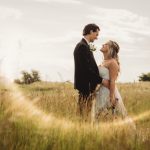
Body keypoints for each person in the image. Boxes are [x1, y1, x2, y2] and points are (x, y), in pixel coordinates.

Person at [73, 24, 108, 119]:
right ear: (91, 32)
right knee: (84, 114)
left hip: (88, 86)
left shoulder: (86, 46)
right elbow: (86, 70)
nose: (97, 37)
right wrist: (101, 80)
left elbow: (90, 66)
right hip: (85, 86)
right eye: (96, 34)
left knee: (85, 114)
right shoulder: (82, 47)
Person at [92, 40, 128, 121]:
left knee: (107, 115)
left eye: (106, 44)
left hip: (108, 92)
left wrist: (111, 97)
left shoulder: (113, 62)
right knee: (98, 115)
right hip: (100, 91)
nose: (103, 44)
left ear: (111, 48)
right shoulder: (103, 62)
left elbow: (112, 81)